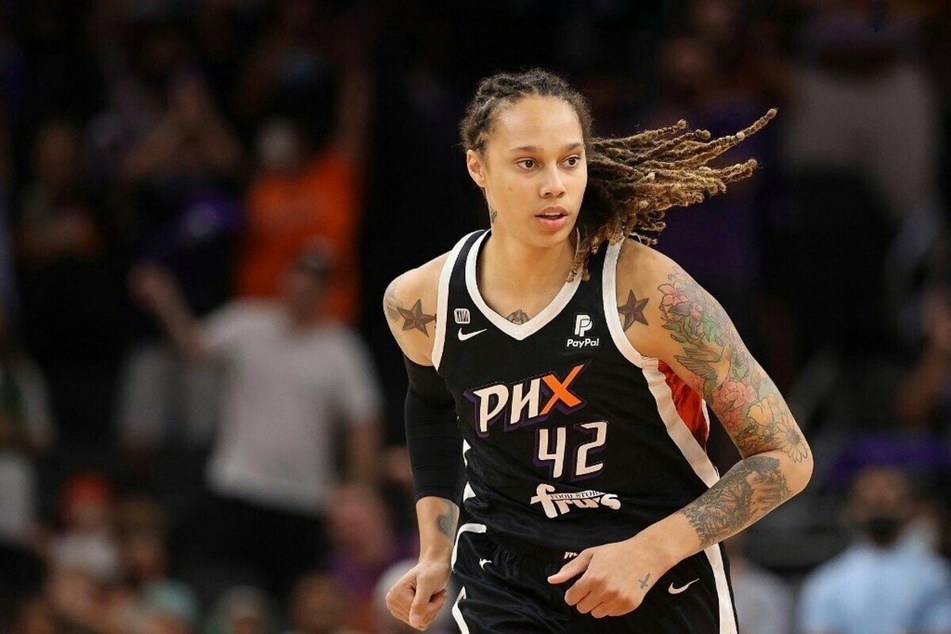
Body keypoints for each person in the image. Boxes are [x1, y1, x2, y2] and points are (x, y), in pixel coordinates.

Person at [382, 69, 813, 633]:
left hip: (656, 576)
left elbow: (787, 457)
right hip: (505, 578)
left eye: (570, 160)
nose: (554, 184)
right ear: (477, 167)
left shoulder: (649, 291)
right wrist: (436, 549)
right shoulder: (422, 302)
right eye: (528, 162)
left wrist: (649, 553)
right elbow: (431, 407)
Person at [130, 245, 383, 601]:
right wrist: (165, 300)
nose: (302, 294)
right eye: (298, 283)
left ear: (326, 294)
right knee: (231, 594)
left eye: (313, 288)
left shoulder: (341, 348)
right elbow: (193, 347)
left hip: (304, 497)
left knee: (295, 598)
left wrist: (360, 488)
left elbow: (363, 422)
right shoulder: (248, 323)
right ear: (284, 283)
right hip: (239, 484)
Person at [797, 465, 951, 634]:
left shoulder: (937, 576)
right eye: (872, 503)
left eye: (890, 502)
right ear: (853, 509)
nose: (881, 506)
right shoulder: (827, 582)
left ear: (909, 507)